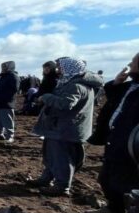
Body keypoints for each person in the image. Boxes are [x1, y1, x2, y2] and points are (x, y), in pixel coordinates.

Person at [30, 57, 102, 197]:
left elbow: (66, 104)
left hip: (65, 129)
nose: (58, 70)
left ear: (70, 68)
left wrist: (46, 97)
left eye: (60, 67)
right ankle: (47, 178)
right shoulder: (75, 83)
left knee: (61, 157)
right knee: (52, 155)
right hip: (60, 127)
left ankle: (62, 186)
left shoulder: (76, 85)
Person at [91, 54, 139, 213]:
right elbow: (112, 95)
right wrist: (117, 82)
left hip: (131, 143)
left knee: (129, 183)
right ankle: (114, 209)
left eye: (133, 62)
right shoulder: (131, 85)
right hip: (116, 138)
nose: (129, 64)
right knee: (107, 177)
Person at [0, 61, 20, 143]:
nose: (2, 69)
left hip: (7, 102)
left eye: (4, 67)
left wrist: (5, 98)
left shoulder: (13, 76)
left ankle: (10, 136)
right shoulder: (4, 76)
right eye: (2, 67)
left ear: (9, 67)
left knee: (7, 120)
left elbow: (14, 89)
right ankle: (0, 133)